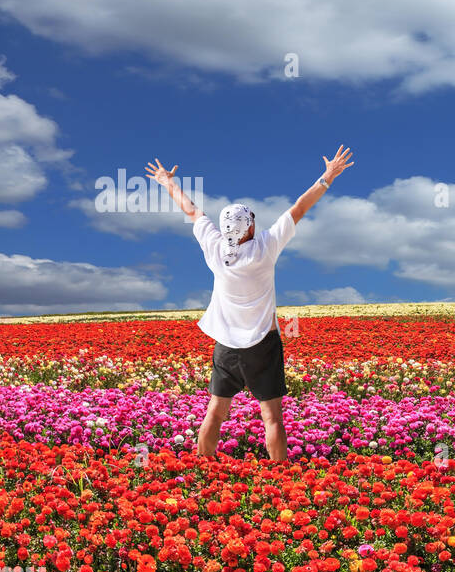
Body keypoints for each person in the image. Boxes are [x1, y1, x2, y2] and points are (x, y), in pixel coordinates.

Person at [145, 146, 355, 460]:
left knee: (215, 412)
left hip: (226, 345)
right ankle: (280, 477)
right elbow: (299, 207)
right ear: (251, 227)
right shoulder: (266, 247)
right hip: (263, 344)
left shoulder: (214, 248)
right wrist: (327, 176)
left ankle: (203, 468)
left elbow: (191, 211)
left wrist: (166, 182)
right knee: (271, 417)